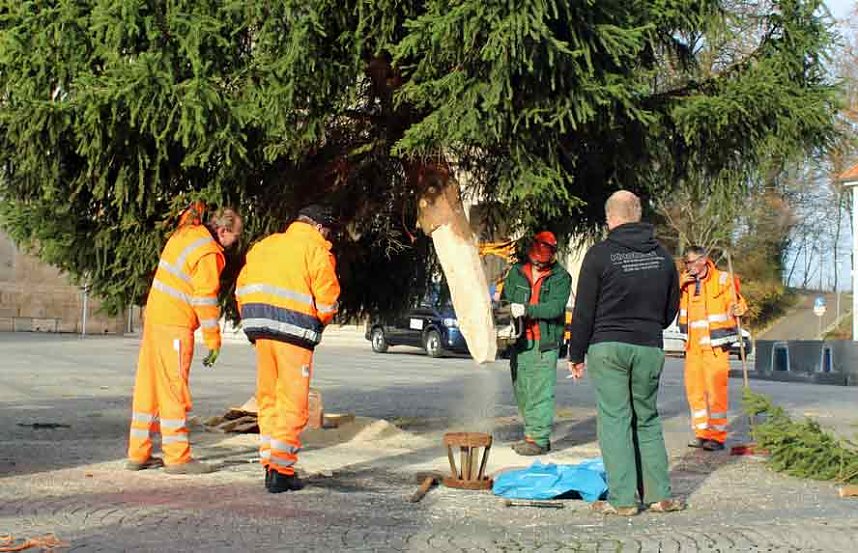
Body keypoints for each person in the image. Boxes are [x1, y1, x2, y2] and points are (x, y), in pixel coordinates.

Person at [567, 190, 683, 515]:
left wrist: (576, 354)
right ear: (638, 214)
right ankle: (659, 495)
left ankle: (622, 500)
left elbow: (584, 311)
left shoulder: (600, 255)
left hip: (608, 346)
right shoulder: (662, 256)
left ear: (610, 219)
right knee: (646, 418)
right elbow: (671, 309)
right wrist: (648, 325)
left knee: (615, 419)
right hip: (648, 345)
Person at [127, 204, 243, 474]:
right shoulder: (208, 253)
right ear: (223, 231)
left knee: (148, 386)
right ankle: (177, 457)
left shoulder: (186, 234)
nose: (233, 243)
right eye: (234, 237)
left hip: (155, 319)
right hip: (175, 325)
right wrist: (213, 339)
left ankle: (138, 452)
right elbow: (204, 300)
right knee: (173, 388)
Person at [236, 204, 341, 493]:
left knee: (268, 398)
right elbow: (327, 301)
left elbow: (241, 286)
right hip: (294, 334)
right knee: (293, 403)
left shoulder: (264, 246)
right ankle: (281, 471)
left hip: (260, 331)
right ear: (319, 228)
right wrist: (321, 321)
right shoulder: (316, 250)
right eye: (328, 232)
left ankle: (269, 462)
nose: (328, 237)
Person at [501, 230, 571, 455]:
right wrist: (505, 317)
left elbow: (555, 308)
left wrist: (527, 309)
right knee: (521, 389)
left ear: (551, 256)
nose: (539, 265)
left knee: (540, 391)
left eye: (544, 261)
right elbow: (505, 300)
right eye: (536, 261)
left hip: (544, 342)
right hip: (520, 340)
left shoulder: (561, 278)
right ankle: (532, 433)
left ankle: (537, 439)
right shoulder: (516, 273)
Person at [679, 246, 748, 452]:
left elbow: (738, 302)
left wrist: (740, 308)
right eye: (686, 263)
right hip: (692, 346)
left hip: (716, 345)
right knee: (695, 391)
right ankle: (701, 433)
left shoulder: (723, 280)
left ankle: (716, 436)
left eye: (690, 263)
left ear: (702, 260)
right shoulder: (684, 284)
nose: (688, 267)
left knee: (716, 391)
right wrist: (680, 284)